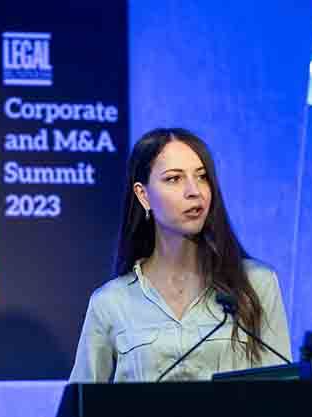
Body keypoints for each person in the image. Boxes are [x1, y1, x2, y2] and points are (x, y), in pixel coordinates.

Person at [69, 128, 291, 382]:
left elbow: (283, 390)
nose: (194, 191)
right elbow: (81, 398)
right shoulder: (111, 302)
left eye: (202, 177)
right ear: (143, 195)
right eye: (174, 179)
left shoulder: (256, 284)